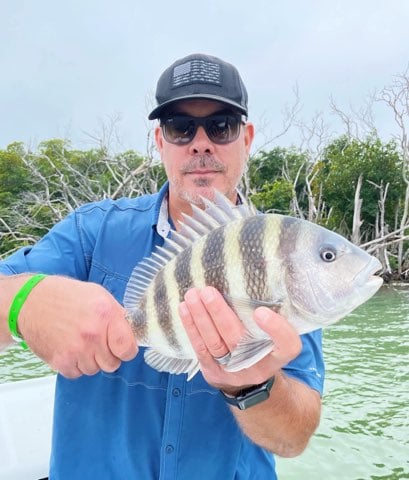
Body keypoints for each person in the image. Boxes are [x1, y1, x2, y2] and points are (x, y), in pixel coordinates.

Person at [0, 53, 324, 479]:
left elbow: (294, 437)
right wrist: (26, 302)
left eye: (221, 125)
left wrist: (251, 386)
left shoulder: (282, 255)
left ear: (246, 138)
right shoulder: (92, 233)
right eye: (180, 127)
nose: (201, 142)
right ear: (159, 141)